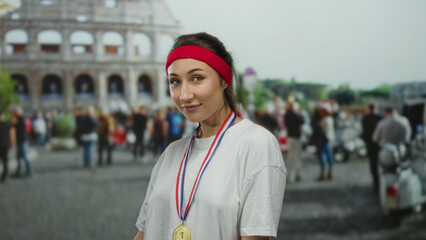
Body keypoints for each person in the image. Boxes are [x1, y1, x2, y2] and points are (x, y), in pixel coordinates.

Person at [134, 32, 286, 240]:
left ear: (224, 80)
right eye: (175, 81)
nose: (184, 95)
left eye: (197, 78)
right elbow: (144, 233)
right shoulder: (171, 153)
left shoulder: (255, 143)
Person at [361, 104, 382, 193]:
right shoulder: (378, 118)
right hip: (377, 144)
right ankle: (378, 183)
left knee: (374, 165)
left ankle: (377, 183)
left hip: (372, 144)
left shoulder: (367, 118)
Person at [284, 101, 305, 183]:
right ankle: (295, 175)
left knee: (290, 156)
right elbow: (302, 121)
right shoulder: (296, 115)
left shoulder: (286, 115)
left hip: (290, 136)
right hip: (296, 137)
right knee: (296, 157)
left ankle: (290, 175)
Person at [12, 107, 32, 177]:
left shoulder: (23, 118)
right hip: (19, 140)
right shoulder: (16, 119)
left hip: (23, 140)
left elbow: (24, 127)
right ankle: (19, 171)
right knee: (18, 156)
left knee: (24, 155)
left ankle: (29, 171)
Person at [0, 110, 13, 183]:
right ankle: (4, 175)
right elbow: (12, 133)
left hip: (3, 144)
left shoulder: (7, 124)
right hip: (5, 144)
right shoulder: (7, 124)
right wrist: (12, 142)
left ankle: (4, 175)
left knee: (4, 160)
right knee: (5, 160)